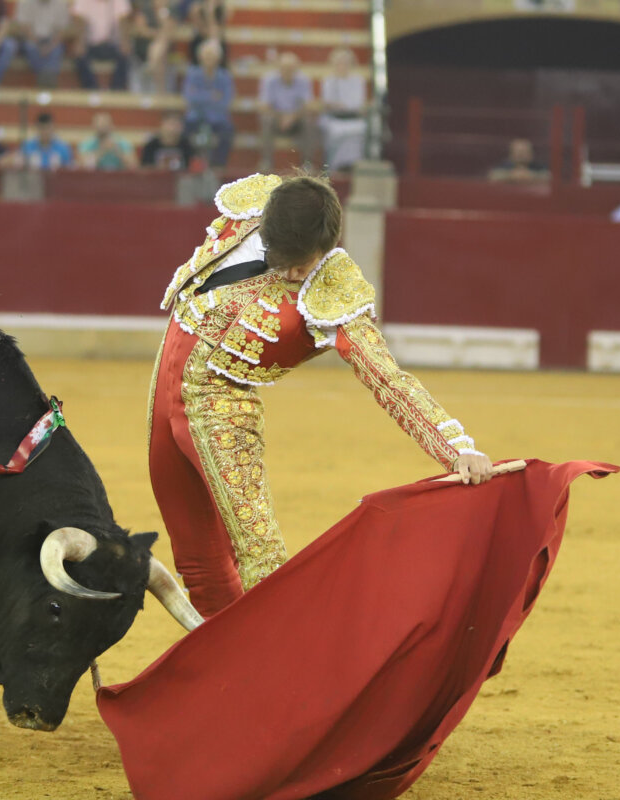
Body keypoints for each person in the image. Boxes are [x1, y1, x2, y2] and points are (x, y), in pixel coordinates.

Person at [149, 172, 493, 617]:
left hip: (222, 414)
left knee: (262, 561)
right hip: (163, 395)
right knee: (197, 563)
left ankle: (285, 670)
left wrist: (457, 449)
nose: (292, 273)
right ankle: (234, 676)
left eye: (304, 263)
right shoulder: (248, 213)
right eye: (282, 258)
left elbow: (387, 378)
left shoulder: (334, 290)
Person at [258, 51, 318, 170]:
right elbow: (263, 106)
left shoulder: (303, 80)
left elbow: (309, 106)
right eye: (284, 68)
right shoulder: (269, 80)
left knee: (308, 122)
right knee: (266, 119)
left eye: (291, 68)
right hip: (276, 118)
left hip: (296, 119)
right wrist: (281, 117)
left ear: (296, 69)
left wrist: (292, 117)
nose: (287, 71)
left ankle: (307, 163)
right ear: (278, 68)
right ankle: (266, 162)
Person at [182, 37, 233, 167]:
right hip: (195, 117)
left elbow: (225, 101)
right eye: (206, 55)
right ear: (200, 57)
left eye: (212, 56)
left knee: (227, 133)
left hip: (218, 119)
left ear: (218, 59)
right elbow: (190, 98)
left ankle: (218, 167)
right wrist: (212, 96)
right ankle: (190, 165)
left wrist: (201, 96)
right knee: (183, 134)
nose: (209, 59)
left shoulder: (224, 76)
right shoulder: (193, 74)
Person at [318, 47, 367, 172]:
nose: (343, 66)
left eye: (346, 63)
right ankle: (333, 168)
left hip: (353, 118)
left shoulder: (358, 81)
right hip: (334, 118)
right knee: (335, 132)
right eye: (339, 63)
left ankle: (352, 166)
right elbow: (328, 103)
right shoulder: (329, 81)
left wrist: (344, 106)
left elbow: (357, 103)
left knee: (360, 130)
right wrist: (336, 105)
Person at [3, 0, 70, 88]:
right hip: (31, 39)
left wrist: (50, 46)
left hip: (52, 40)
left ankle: (46, 78)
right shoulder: (25, 3)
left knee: (57, 49)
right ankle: (46, 79)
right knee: (30, 47)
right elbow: (24, 27)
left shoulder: (61, 4)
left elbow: (62, 30)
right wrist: (38, 45)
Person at [71, 0, 130, 91]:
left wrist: (124, 42)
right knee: (79, 56)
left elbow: (123, 20)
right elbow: (80, 21)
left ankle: (116, 91)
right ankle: (91, 90)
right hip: (91, 44)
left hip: (112, 44)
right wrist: (80, 43)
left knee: (126, 55)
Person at [129, 0, 173, 94]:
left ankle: (151, 66)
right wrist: (158, 34)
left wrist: (162, 12)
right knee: (158, 48)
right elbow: (142, 30)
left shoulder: (167, 12)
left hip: (163, 52)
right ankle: (160, 92)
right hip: (144, 48)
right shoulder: (144, 10)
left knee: (160, 47)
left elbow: (169, 31)